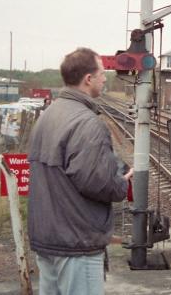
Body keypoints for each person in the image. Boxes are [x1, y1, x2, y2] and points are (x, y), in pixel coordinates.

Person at [27, 48, 132, 295]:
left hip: (49, 237)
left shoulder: (48, 114)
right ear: (88, 79)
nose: (105, 79)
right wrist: (120, 182)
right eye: (102, 73)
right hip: (76, 242)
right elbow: (97, 182)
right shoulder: (87, 122)